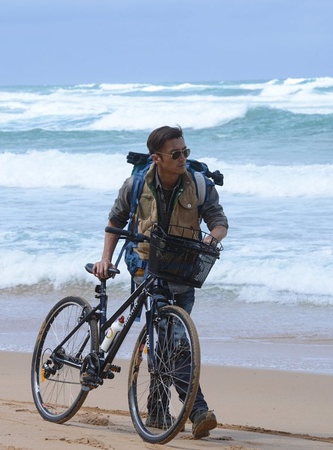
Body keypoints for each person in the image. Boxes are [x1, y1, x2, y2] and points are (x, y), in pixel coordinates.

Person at [92, 125, 228, 439]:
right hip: (144, 264)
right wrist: (106, 260)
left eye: (186, 152)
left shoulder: (199, 184)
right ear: (157, 158)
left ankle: (156, 407)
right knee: (172, 339)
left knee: (167, 340)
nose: (183, 158)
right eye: (175, 154)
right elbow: (115, 221)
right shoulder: (136, 184)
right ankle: (197, 410)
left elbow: (219, 221)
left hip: (183, 267)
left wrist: (212, 238)